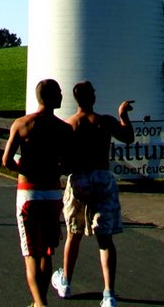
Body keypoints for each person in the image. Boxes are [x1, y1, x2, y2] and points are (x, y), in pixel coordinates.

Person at [51, 81, 134, 307]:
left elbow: (61, 159)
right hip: (102, 178)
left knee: (73, 234)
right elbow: (128, 136)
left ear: (76, 99)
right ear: (92, 98)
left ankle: (66, 283)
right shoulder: (105, 122)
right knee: (105, 239)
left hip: (79, 180)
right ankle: (109, 294)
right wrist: (123, 114)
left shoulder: (70, 125)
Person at [2, 78, 74, 307]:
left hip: (29, 192)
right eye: (60, 93)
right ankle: (38, 302)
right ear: (52, 97)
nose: (63, 96)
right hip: (52, 192)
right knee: (47, 250)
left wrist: (24, 169)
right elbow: (69, 162)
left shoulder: (22, 124)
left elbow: (6, 160)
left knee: (31, 253)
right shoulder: (63, 128)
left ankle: (40, 304)